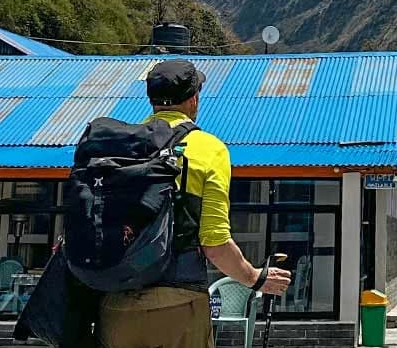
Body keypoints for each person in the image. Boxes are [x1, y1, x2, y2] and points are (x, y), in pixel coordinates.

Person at [96, 60, 291, 348]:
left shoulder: (118, 145)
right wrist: (254, 277)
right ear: (194, 99)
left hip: (113, 303)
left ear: (151, 99)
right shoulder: (208, 149)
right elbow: (214, 243)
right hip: (177, 302)